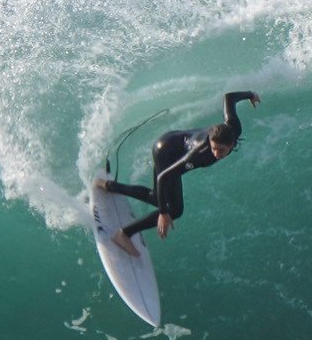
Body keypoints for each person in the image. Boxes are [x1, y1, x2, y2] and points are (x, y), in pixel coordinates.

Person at [97, 91, 261, 256]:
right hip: (166, 152)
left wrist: (250, 94)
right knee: (174, 210)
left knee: (158, 198)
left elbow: (229, 98)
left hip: (172, 141)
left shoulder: (233, 127)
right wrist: (162, 213)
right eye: (214, 148)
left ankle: (108, 186)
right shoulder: (199, 154)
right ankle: (123, 234)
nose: (216, 154)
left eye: (221, 150)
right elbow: (164, 177)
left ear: (232, 143)